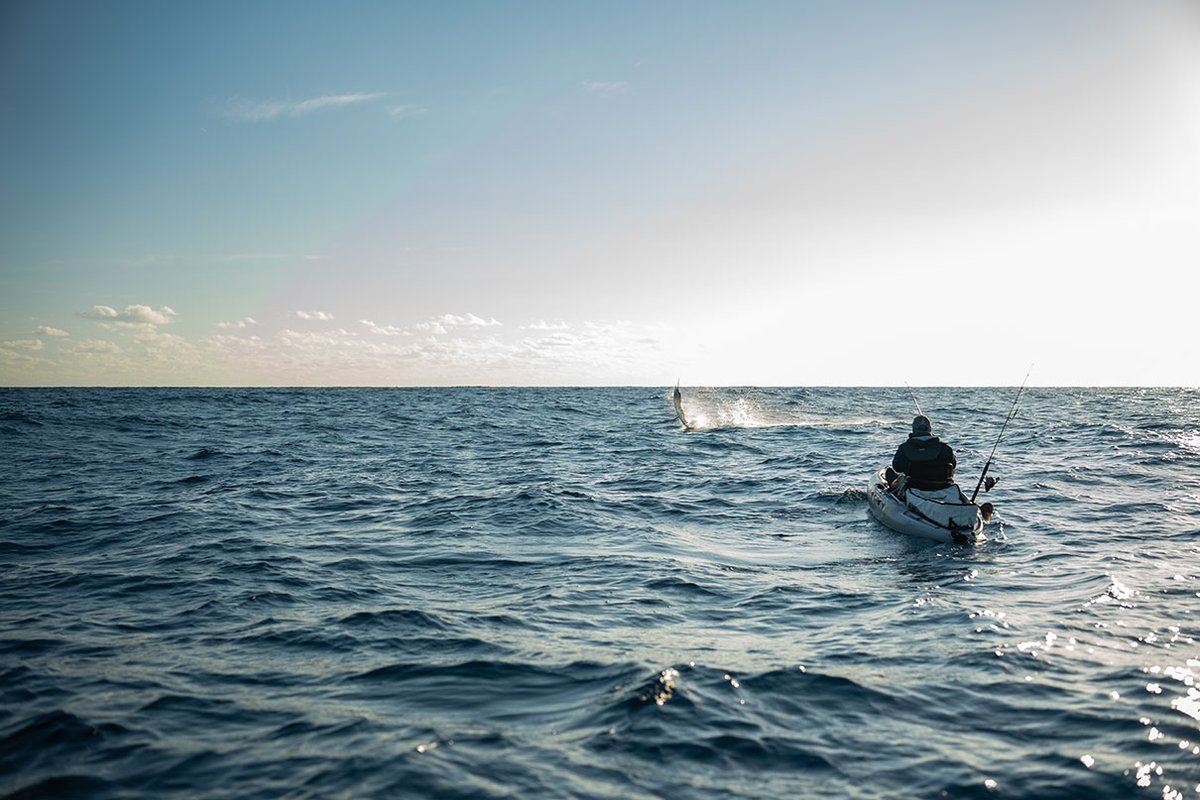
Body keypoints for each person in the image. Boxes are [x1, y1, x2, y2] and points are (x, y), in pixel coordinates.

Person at [888, 415, 957, 495]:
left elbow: (897, 467)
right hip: (942, 486)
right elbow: (953, 465)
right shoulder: (946, 448)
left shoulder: (904, 448)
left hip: (914, 487)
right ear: (930, 429)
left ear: (913, 430)